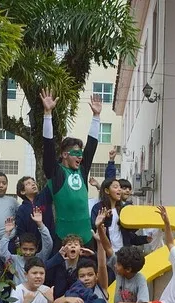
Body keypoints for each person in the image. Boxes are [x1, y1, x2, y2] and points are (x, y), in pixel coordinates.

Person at [40, 88, 102, 244]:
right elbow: (48, 147)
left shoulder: (82, 170)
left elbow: (92, 146)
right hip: (63, 236)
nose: (81, 157)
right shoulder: (56, 173)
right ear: (64, 155)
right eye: (76, 154)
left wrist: (96, 116)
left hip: (86, 235)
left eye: (81, 154)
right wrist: (47, 114)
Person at [97, 231, 150, 303]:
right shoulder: (120, 272)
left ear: (128, 269)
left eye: (118, 264)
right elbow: (108, 247)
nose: (115, 266)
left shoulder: (140, 279)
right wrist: (100, 228)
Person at [91, 178, 150, 254]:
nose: (119, 190)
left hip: (123, 253)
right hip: (106, 253)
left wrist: (141, 219)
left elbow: (129, 233)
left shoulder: (123, 209)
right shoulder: (98, 208)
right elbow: (95, 229)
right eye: (116, 187)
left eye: (120, 187)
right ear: (107, 191)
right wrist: (105, 220)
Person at [0, 212, 53, 285]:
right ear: (20, 248)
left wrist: (40, 224)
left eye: (31, 249)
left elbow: (48, 244)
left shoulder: (40, 258)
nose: (28, 252)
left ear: (36, 249)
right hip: (18, 295)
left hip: (35, 294)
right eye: (25, 249)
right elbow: (2, 252)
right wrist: (7, 233)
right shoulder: (15, 260)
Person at [44, 235, 96, 299]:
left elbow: (102, 271)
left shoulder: (85, 264)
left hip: (79, 300)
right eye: (69, 244)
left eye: (76, 244)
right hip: (58, 301)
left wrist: (93, 255)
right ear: (64, 248)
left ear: (81, 249)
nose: (73, 246)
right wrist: (57, 256)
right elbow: (43, 269)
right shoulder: (58, 264)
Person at [15, 175, 56, 250]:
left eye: (34, 182)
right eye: (28, 183)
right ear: (22, 191)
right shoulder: (21, 209)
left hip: (51, 242)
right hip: (32, 249)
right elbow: (21, 232)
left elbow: (53, 180)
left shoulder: (44, 197)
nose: (33, 184)